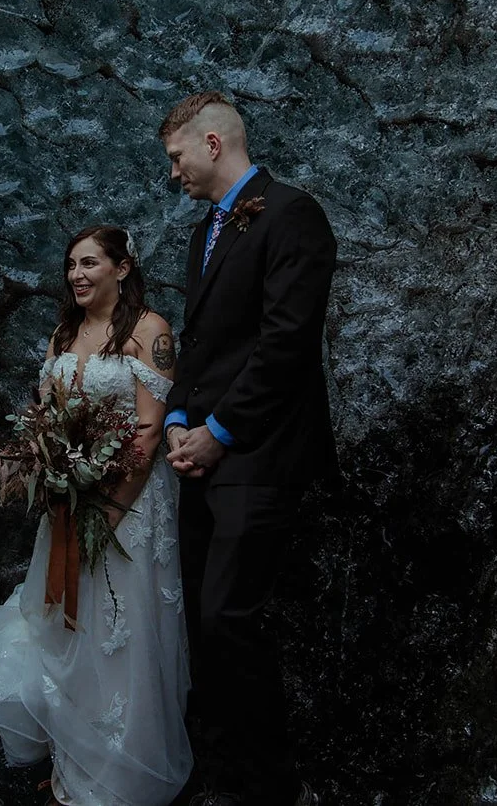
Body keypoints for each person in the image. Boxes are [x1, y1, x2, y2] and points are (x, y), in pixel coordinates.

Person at [0, 226, 193, 806]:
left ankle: (120, 774)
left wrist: (111, 511)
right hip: (70, 501)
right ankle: (74, 753)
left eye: (89, 263)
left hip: (130, 507)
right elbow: (45, 415)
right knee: (70, 628)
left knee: (122, 630)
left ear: (121, 267)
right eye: (70, 265)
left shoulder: (150, 332)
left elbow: (147, 432)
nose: (77, 275)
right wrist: (26, 461)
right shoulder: (64, 331)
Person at [159, 93, 337, 806]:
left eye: (175, 158)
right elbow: (202, 346)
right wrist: (177, 415)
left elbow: (287, 343)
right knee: (201, 625)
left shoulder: (293, 213)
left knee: (227, 616)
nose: (172, 174)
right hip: (199, 455)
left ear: (210, 142)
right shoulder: (206, 227)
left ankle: (273, 790)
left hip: (258, 454)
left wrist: (219, 432)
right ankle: (224, 776)